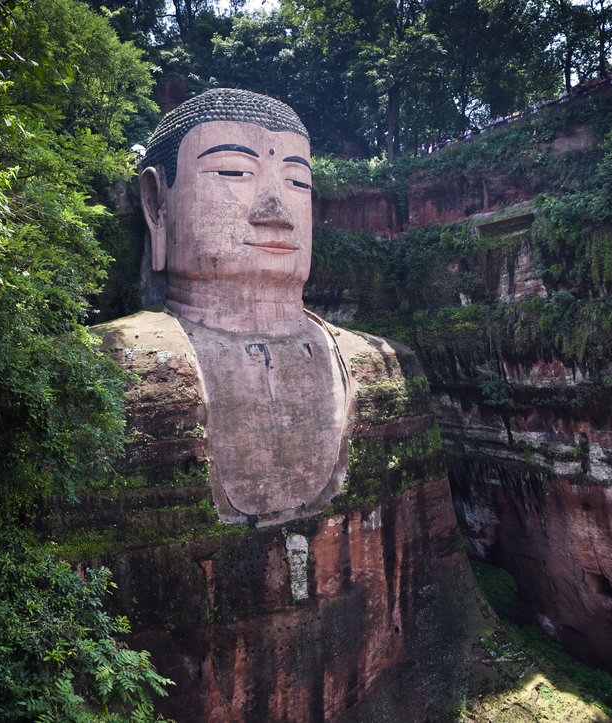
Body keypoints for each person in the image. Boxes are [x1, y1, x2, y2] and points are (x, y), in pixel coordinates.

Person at [94, 89, 417, 526]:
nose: (276, 210)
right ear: (156, 202)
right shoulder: (95, 371)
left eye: (297, 181)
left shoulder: (388, 365)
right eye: (233, 170)